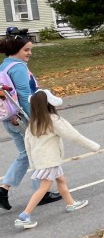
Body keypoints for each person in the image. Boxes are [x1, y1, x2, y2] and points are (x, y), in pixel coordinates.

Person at [14, 89, 98, 229]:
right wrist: (93, 146)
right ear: (49, 104)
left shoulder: (33, 123)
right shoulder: (53, 120)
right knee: (44, 187)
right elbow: (73, 135)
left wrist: (33, 164)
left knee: (61, 179)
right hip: (49, 161)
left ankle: (71, 203)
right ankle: (24, 216)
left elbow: (28, 145)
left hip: (43, 160)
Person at [0, 32, 63, 211]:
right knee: (36, 154)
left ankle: (4, 189)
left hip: (9, 117)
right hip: (22, 119)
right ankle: (40, 193)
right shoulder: (18, 67)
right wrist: (37, 118)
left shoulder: (4, 66)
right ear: (16, 50)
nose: (29, 53)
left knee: (25, 154)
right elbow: (24, 95)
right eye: (26, 50)